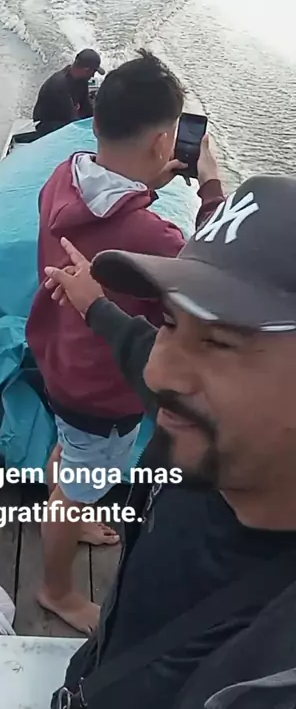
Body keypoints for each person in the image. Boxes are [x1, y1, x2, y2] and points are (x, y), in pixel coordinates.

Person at [43, 173, 296, 709]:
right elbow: (137, 348)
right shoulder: (203, 428)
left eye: (218, 342)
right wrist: (94, 305)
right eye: (170, 323)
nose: (161, 374)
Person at [25, 50, 225, 635]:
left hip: (58, 360)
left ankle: (71, 503)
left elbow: (108, 216)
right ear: (164, 143)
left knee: (71, 450)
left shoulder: (62, 177)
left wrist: (145, 181)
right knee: (81, 478)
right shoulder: (152, 236)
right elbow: (210, 286)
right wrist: (210, 186)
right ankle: (57, 589)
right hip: (102, 391)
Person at [33, 49, 105, 137]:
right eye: (93, 72)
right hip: (46, 123)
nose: (93, 76)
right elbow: (72, 120)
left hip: (66, 118)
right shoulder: (59, 84)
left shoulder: (82, 80)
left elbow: (87, 109)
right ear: (86, 69)